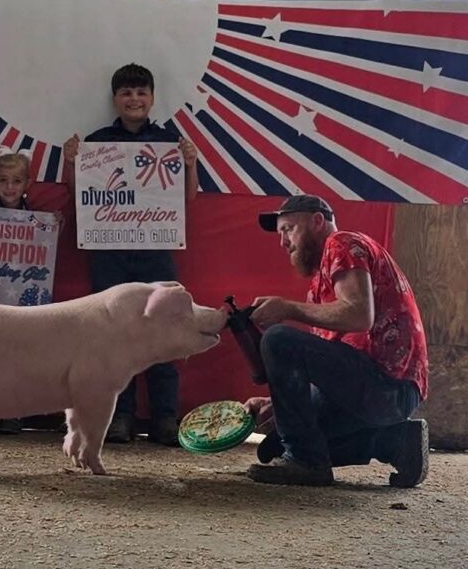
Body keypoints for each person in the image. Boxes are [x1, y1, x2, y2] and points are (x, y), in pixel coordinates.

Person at [242, 194, 429, 487]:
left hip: (389, 387)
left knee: (278, 339)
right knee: (276, 444)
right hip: (375, 394)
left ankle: (307, 463)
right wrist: (280, 401)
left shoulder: (342, 243)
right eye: (280, 234)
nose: (283, 242)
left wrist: (287, 308)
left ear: (317, 221)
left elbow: (358, 315)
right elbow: (336, 366)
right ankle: (396, 442)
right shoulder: (319, 288)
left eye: (289, 229)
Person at [62, 63, 199, 446]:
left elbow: (186, 198)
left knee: (166, 329)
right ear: (115, 99)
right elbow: (78, 195)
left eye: (141, 93)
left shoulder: (169, 141)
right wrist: (70, 161)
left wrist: (189, 164)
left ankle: (164, 415)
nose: (134, 99)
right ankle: (118, 416)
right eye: (126, 93)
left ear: (152, 98)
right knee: (113, 334)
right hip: (109, 251)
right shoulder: (97, 140)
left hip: (156, 249)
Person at [0, 147, 64, 435]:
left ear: (27, 185)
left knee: (18, 355)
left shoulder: (39, 221)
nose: (10, 187)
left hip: (21, 306)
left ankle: (12, 412)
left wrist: (54, 224)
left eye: (16, 181)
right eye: (4, 180)